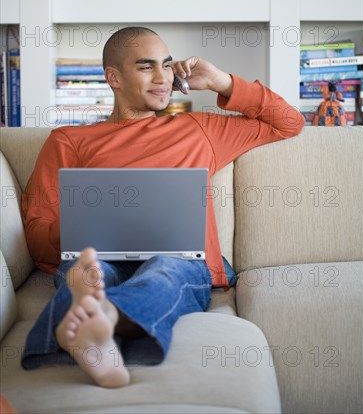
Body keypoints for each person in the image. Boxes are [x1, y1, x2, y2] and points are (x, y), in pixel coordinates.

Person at [21, 26, 305, 387]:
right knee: (89, 270)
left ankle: (100, 321)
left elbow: (289, 123)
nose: (162, 77)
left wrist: (221, 81)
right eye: (146, 67)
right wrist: (84, 225)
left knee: (165, 268)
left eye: (167, 66)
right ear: (114, 77)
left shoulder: (197, 130)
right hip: (99, 256)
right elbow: (36, 237)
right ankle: (95, 323)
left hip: (178, 259)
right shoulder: (69, 141)